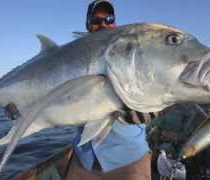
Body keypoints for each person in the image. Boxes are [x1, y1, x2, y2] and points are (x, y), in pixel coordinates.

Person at [62, 1, 155, 180]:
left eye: (109, 19)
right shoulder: (73, 60)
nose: (103, 24)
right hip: (84, 159)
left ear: (114, 23)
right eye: (96, 20)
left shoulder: (135, 53)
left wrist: (155, 109)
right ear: (88, 25)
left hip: (130, 162)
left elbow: (158, 86)